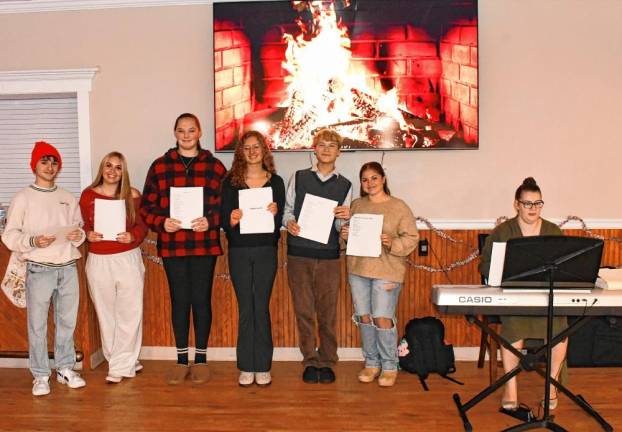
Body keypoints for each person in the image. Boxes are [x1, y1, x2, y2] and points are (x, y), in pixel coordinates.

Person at [141, 113, 227, 385]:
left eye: (191, 130)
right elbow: (146, 207)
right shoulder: (160, 166)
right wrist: (161, 222)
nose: (187, 135)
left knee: (201, 300)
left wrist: (211, 221)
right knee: (179, 301)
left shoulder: (215, 167)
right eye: (181, 130)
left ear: (199, 132)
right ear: (175, 132)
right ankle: (180, 359)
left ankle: (200, 359)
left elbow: (225, 207)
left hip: (204, 245)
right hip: (173, 245)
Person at [2, 141, 86, 396]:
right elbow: (10, 234)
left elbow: (79, 228)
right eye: (44, 161)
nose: (50, 166)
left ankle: (64, 368)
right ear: (34, 165)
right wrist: (32, 241)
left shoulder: (68, 197)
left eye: (54, 162)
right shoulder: (22, 197)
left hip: (68, 266)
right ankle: (40, 375)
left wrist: (77, 236)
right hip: (38, 268)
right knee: (37, 324)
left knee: (67, 322)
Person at [479, 177, 566, 411]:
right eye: (527, 203)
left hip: (545, 297)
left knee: (559, 326)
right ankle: (511, 388)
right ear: (516, 204)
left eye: (538, 203)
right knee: (514, 326)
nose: (533, 209)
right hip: (513, 297)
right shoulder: (502, 232)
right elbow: (486, 266)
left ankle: (552, 386)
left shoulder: (552, 231)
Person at [283, 128, 352, 384]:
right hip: (299, 254)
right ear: (314, 149)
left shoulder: (345, 185)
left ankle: (327, 360)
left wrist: (344, 225)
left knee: (327, 312)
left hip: (329, 257)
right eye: (321, 145)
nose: (326, 149)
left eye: (331, 146)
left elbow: (338, 226)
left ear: (338, 152)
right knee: (303, 310)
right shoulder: (298, 177)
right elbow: (288, 211)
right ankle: (310, 360)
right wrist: (289, 223)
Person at [340, 162, 419, 387]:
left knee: (382, 318)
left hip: (388, 271)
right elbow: (348, 239)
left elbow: (411, 238)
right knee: (364, 316)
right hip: (358, 269)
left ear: (383, 179)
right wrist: (345, 235)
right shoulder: (356, 205)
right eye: (365, 180)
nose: (370, 183)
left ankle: (389, 365)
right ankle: (372, 362)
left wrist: (392, 242)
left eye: (374, 178)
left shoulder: (399, 207)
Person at [221, 131, 285, 387]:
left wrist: (275, 212)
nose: (252, 151)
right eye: (246, 147)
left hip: (266, 251)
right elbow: (225, 220)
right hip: (239, 251)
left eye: (256, 146)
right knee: (246, 308)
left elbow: (278, 222)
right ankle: (246, 365)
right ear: (241, 153)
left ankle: (263, 365)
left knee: (261, 306)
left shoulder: (276, 182)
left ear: (264, 150)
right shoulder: (231, 182)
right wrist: (233, 219)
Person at [79, 152, 148, 383]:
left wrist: (133, 236)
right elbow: (84, 227)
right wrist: (89, 235)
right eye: (108, 165)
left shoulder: (133, 195)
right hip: (99, 260)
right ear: (102, 168)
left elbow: (142, 227)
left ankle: (120, 364)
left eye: (118, 167)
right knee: (106, 313)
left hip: (127, 258)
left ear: (123, 172)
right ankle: (120, 359)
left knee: (130, 312)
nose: (112, 171)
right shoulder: (88, 195)